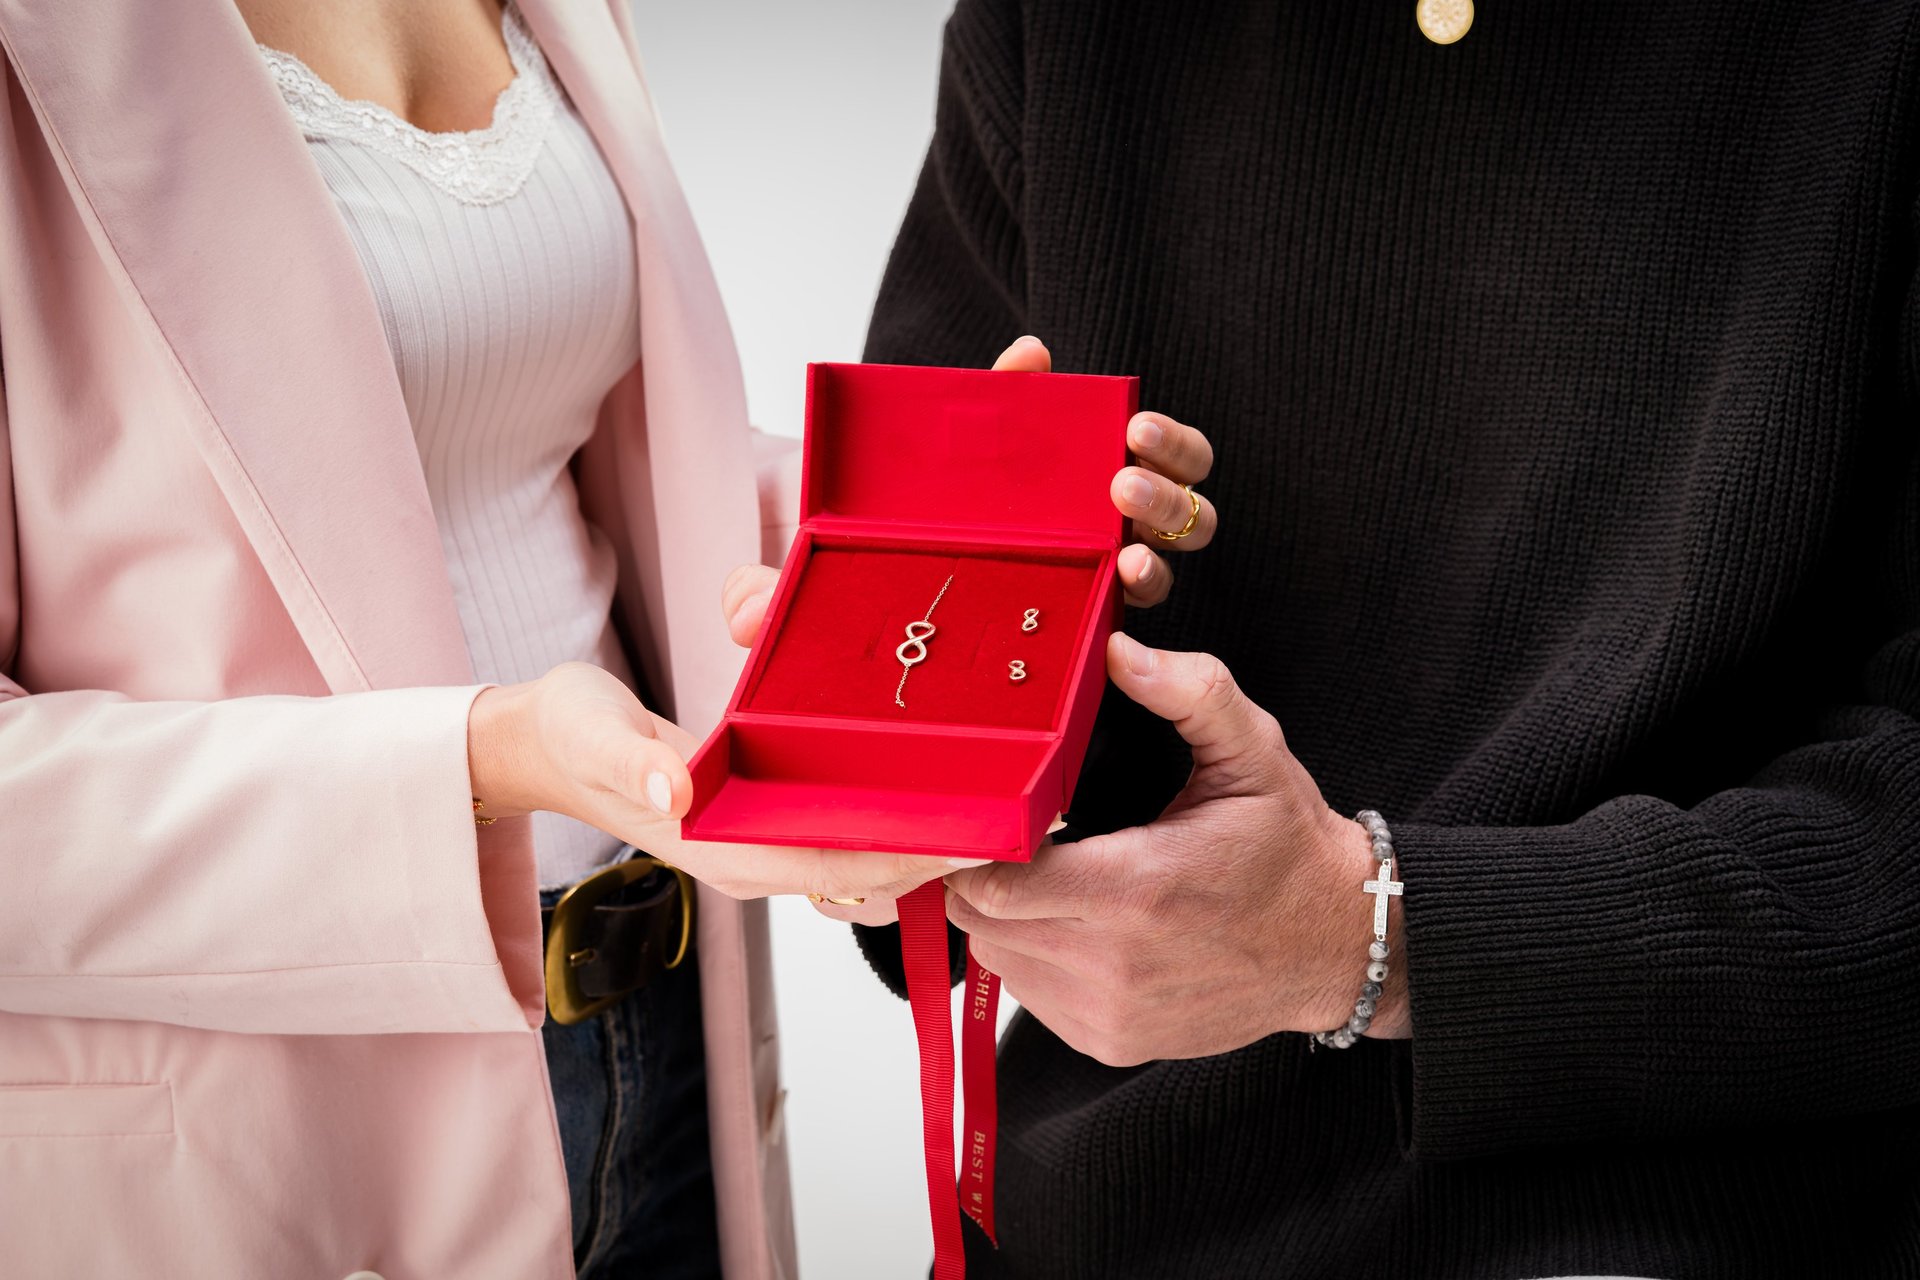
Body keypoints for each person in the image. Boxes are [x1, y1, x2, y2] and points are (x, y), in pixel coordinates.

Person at [0, 2, 1210, 1276]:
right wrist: (495, 755)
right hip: (282, 1113)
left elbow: (572, 456)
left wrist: (940, 521)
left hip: (662, 1004)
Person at [771, 1, 1920, 1276]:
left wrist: (1369, 935)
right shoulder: (1061, 31)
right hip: (1112, 1210)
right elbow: (920, 805)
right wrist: (914, 733)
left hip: (1683, 1217)